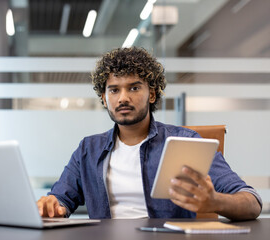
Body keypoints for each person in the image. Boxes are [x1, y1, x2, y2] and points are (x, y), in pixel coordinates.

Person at [37, 47, 262, 220]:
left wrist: (216, 202)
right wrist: (51, 205)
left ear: (152, 95)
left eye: (134, 88)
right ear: (105, 99)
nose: (123, 98)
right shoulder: (88, 149)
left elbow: (252, 202)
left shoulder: (186, 142)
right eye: (114, 90)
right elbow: (61, 199)